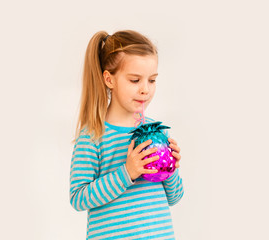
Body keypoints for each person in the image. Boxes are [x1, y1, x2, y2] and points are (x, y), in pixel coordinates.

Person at [70, 30, 184, 239]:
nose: (145, 90)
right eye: (135, 80)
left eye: (152, 80)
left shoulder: (158, 132)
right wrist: (127, 172)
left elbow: (175, 197)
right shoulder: (93, 135)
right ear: (109, 79)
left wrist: (171, 169)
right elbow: (78, 198)